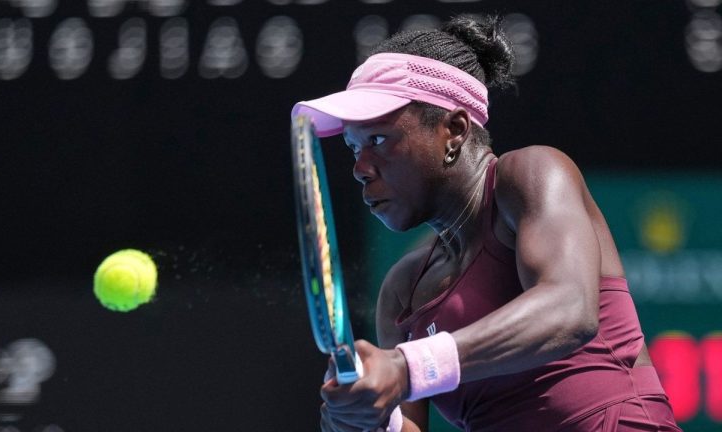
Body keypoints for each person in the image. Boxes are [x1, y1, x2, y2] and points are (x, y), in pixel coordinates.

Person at [292, 15, 682, 432]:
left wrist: (406, 367)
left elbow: (570, 309)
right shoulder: (402, 290)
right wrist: (359, 418)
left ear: (455, 130)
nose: (360, 168)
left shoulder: (531, 174)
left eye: (379, 139)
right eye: (354, 148)